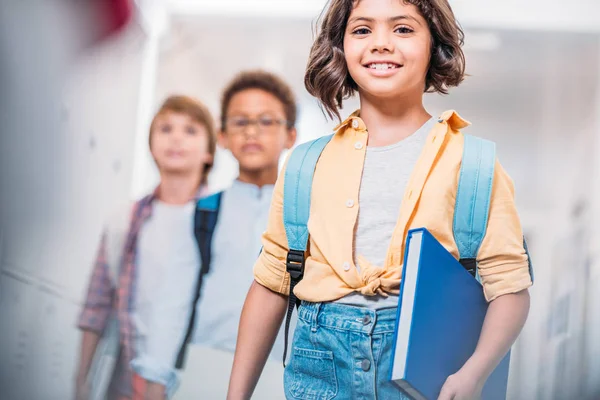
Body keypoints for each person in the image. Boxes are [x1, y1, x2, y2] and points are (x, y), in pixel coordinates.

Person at [227, 1, 533, 399]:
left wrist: (472, 374)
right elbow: (270, 284)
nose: (381, 44)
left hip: (428, 374)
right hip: (318, 367)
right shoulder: (306, 162)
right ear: (340, 47)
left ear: (433, 46)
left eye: (403, 29)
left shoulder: (473, 164)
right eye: (362, 30)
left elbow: (509, 288)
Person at [75, 95, 216, 400]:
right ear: (151, 146)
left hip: (194, 378)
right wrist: (81, 381)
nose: (176, 137)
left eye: (190, 130)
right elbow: (96, 306)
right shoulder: (123, 221)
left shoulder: (221, 221)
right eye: (165, 129)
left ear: (209, 152)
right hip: (128, 377)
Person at [191, 69, 297, 359]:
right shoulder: (201, 212)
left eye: (266, 121)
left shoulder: (307, 215)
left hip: (281, 366)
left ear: (291, 135)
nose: (252, 131)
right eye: (240, 122)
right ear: (222, 136)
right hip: (203, 356)